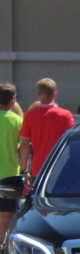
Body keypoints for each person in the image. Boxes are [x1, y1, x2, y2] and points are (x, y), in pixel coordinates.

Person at [18, 78, 75, 184]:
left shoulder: (30, 115)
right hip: (60, 168)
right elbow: (72, 142)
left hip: (39, 169)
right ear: (55, 94)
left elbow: (24, 144)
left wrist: (24, 170)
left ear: (39, 94)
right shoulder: (65, 115)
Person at [0, 83, 21, 235]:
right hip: (10, 174)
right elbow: (24, 147)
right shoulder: (18, 121)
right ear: (13, 99)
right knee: (7, 216)